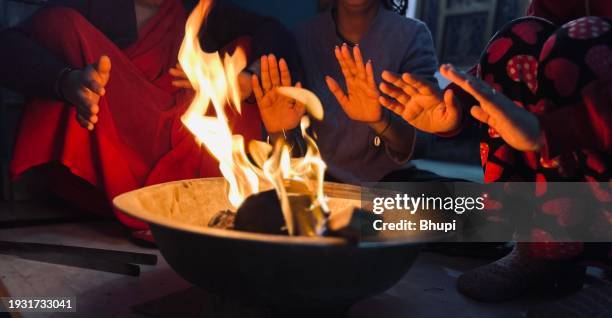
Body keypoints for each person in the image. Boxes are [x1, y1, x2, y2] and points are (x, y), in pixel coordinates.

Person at [0, 0, 304, 238]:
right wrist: (67, 82)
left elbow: (275, 32)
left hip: (185, 158)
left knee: (247, 49)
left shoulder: (198, 10)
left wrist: (243, 82)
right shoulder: (95, 5)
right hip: (112, 151)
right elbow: (9, 47)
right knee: (62, 24)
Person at [377, 0, 612, 306]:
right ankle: (541, 248)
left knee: (584, 37)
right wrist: (456, 107)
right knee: (519, 37)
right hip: (565, 156)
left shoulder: (408, 32)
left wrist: (550, 130)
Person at [293, 0, 439, 183]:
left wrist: (381, 120)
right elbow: (287, 140)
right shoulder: (303, 36)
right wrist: (280, 128)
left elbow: (422, 141)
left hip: (388, 180)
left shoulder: (411, 34)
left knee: (471, 203)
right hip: (317, 178)